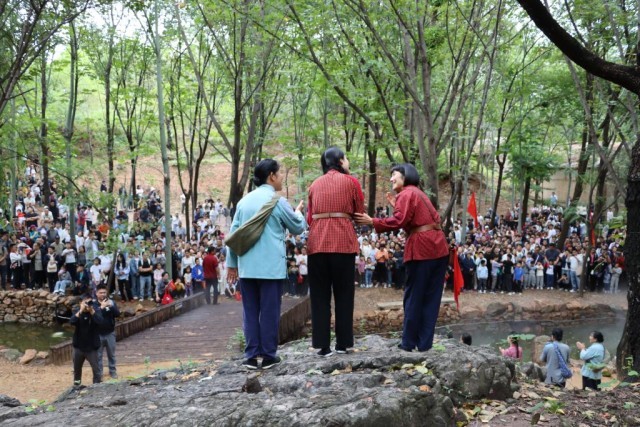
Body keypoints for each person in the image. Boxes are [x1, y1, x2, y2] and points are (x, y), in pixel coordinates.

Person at [355, 163, 449, 352]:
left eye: (394, 175)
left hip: (422, 249)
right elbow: (417, 219)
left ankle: (408, 343)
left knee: (414, 296)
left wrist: (373, 221)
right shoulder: (419, 194)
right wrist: (397, 206)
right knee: (431, 298)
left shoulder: (407, 193)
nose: (391, 179)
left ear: (405, 177)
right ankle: (424, 344)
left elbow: (399, 220)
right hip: (439, 248)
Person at [227, 159, 306, 370]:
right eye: (279, 174)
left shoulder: (243, 202)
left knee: (250, 312)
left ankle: (251, 356)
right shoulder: (277, 201)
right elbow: (297, 227)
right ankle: (269, 355)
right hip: (271, 269)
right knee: (270, 312)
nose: (281, 179)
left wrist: (232, 264)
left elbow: (233, 236)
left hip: (247, 267)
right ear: (271, 176)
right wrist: (298, 212)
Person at [306, 146, 364, 356]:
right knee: (344, 293)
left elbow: (309, 218)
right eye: (345, 158)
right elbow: (359, 212)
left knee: (319, 296)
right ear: (340, 161)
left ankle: (322, 346)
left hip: (317, 243)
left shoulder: (314, 184)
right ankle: (343, 343)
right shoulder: (351, 182)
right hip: (343, 243)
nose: (347, 162)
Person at [70, 294, 104, 386]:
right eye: (86, 302)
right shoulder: (76, 311)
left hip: (92, 347)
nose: (88, 304)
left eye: (90, 302)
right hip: (78, 347)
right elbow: (72, 321)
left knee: (96, 370)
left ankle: (96, 386)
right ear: (80, 302)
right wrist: (81, 311)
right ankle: (77, 386)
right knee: (77, 369)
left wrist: (92, 311)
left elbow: (101, 322)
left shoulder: (96, 310)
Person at [96, 284, 120, 379]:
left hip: (110, 333)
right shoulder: (93, 304)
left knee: (111, 354)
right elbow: (94, 317)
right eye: (101, 293)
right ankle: (99, 373)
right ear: (96, 293)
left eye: (104, 292)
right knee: (98, 355)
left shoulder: (111, 302)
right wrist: (101, 307)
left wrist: (111, 306)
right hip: (98, 334)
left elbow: (117, 314)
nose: (103, 294)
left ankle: (113, 371)